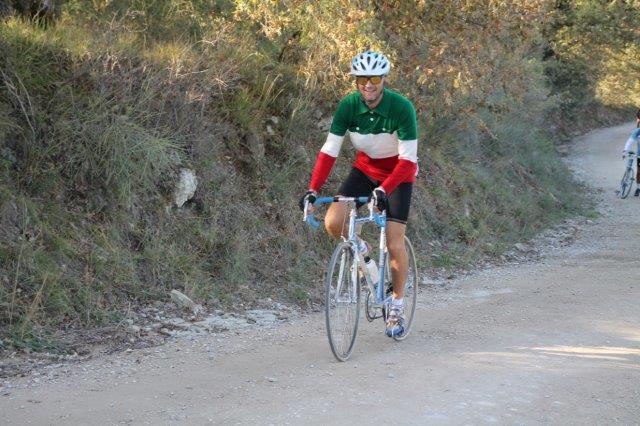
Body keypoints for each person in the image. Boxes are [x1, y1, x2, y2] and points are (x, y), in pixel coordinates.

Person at [299, 50, 419, 337]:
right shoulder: (349, 106)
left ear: (383, 79)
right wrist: (313, 189)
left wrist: (384, 189)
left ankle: (396, 304)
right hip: (365, 170)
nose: (368, 84)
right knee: (333, 222)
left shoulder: (401, 108)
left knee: (394, 243)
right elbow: (330, 150)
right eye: (362, 79)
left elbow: (407, 160)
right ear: (355, 81)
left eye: (374, 78)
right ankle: (363, 252)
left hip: (398, 175)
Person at [623, 117, 640, 196]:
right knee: (639, 171)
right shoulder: (638, 131)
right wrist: (625, 150)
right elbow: (630, 141)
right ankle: (638, 188)